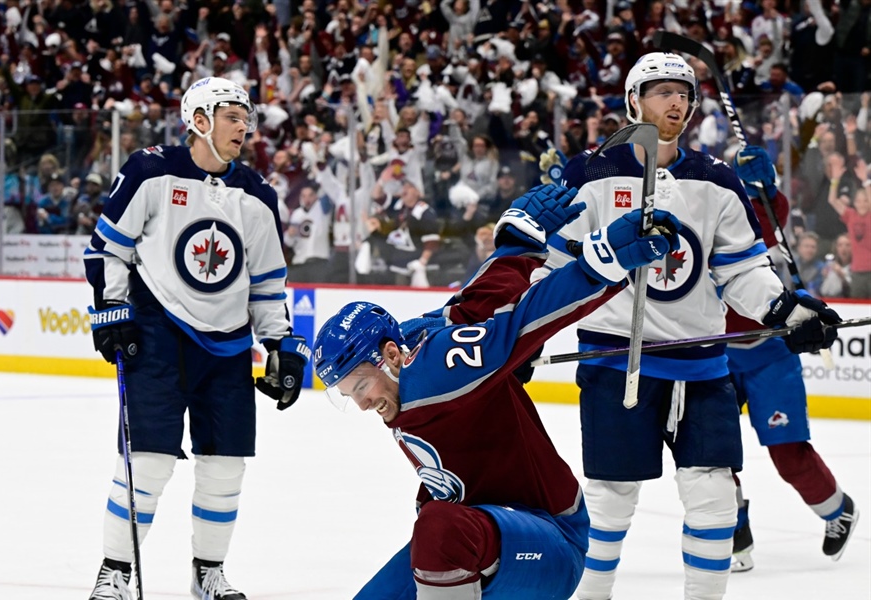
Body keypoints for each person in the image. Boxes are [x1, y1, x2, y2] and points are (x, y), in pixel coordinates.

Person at [542, 52, 842, 600]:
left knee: (714, 496)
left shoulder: (717, 180)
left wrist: (787, 311)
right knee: (610, 496)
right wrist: (519, 334)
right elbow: (555, 268)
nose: (675, 102)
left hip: (701, 366)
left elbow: (743, 273)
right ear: (633, 100)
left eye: (683, 93)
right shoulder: (590, 173)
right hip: (615, 361)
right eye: (660, 91)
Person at [312, 184, 684, 600]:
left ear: (391, 355)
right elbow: (470, 307)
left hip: (549, 538)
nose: (363, 404)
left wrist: (600, 266)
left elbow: (526, 319)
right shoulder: (412, 346)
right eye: (350, 395)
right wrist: (517, 243)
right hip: (491, 531)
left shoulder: (436, 373)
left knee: (440, 529)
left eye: (361, 386)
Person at [83, 77, 310, 600]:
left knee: (225, 466)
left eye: (246, 116)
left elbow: (268, 283)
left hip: (229, 347)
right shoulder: (149, 170)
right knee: (148, 462)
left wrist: (279, 345)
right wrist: (112, 308)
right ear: (200, 120)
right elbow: (106, 249)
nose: (243, 126)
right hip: (157, 333)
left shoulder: (256, 194)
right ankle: (115, 572)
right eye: (232, 115)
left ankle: (208, 573)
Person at [726, 146, 860, 572]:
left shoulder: (745, 217)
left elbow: (769, 215)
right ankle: (732, 531)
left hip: (769, 352)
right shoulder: (694, 217)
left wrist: (765, 188)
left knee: (789, 454)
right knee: (709, 455)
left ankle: (837, 509)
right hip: (714, 356)